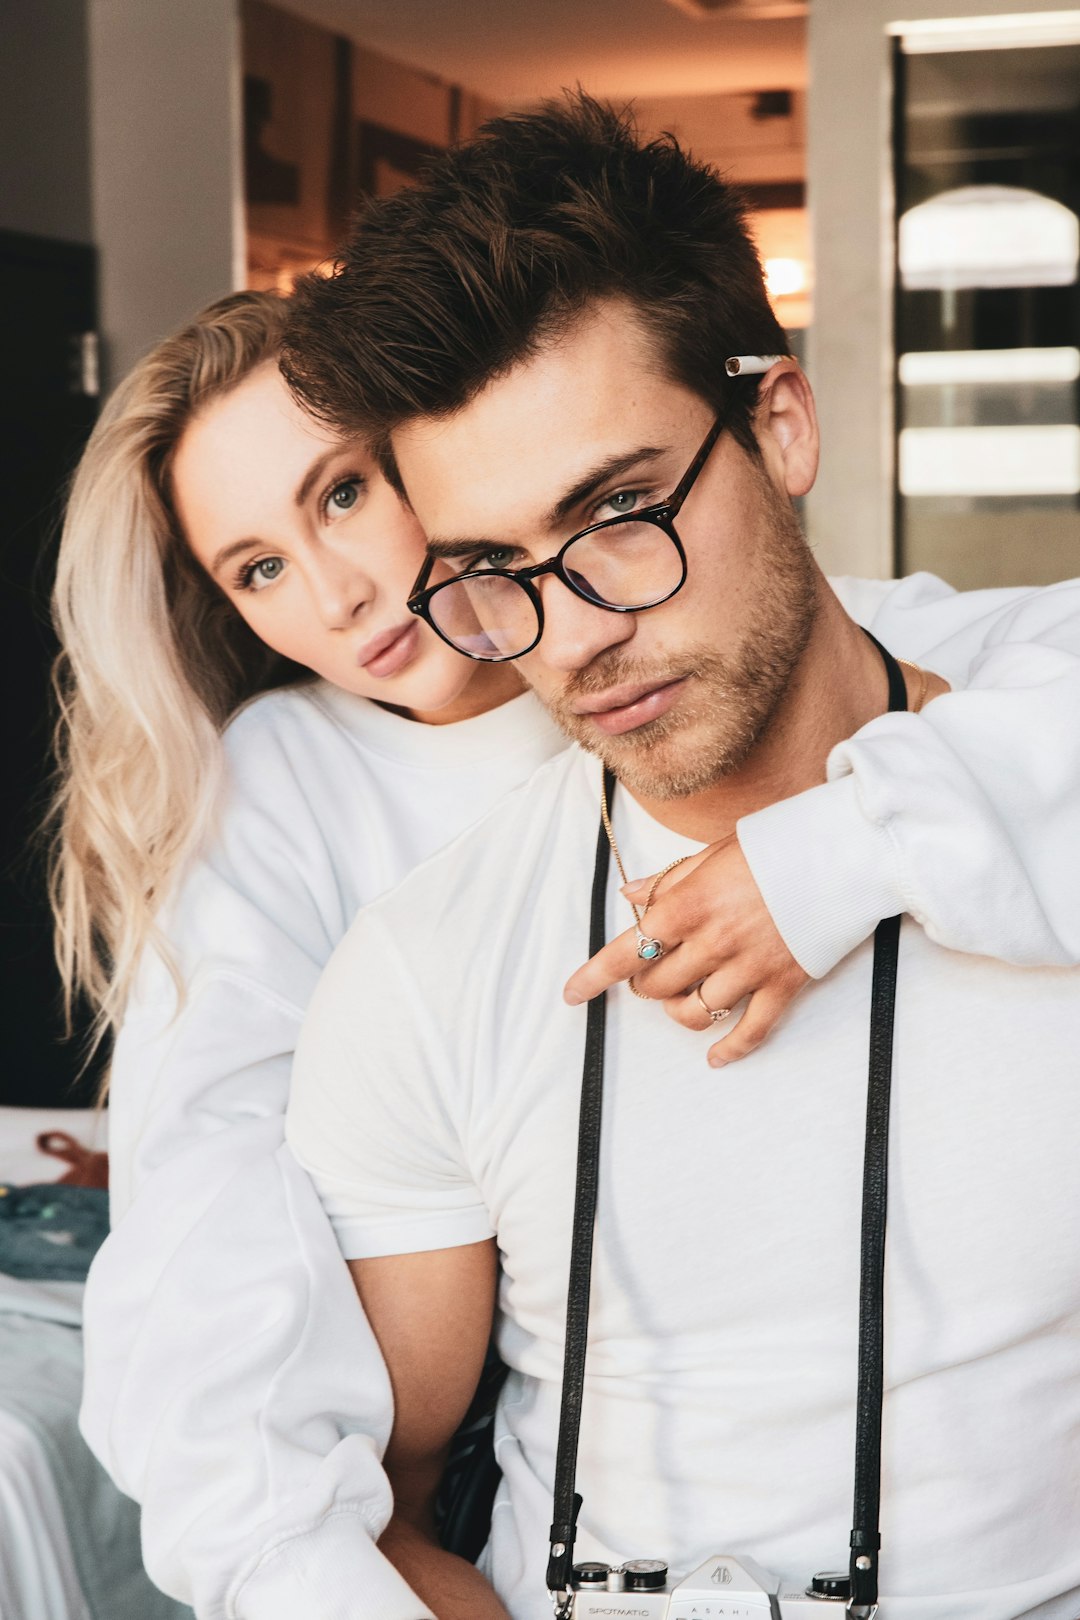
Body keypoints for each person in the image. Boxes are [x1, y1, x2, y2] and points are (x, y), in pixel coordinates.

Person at [59, 290, 994, 1620]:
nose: (336, 594)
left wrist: (830, 860)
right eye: (255, 567)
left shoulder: (738, 639)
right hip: (508, 1437)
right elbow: (205, 1189)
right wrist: (301, 1561)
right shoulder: (283, 782)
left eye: (342, 496)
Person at [282, 95, 1080, 1620]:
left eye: (621, 511)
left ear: (782, 425)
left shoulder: (1042, 777)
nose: (572, 634)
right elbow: (365, 1513)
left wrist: (841, 856)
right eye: (490, 575)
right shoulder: (428, 965)